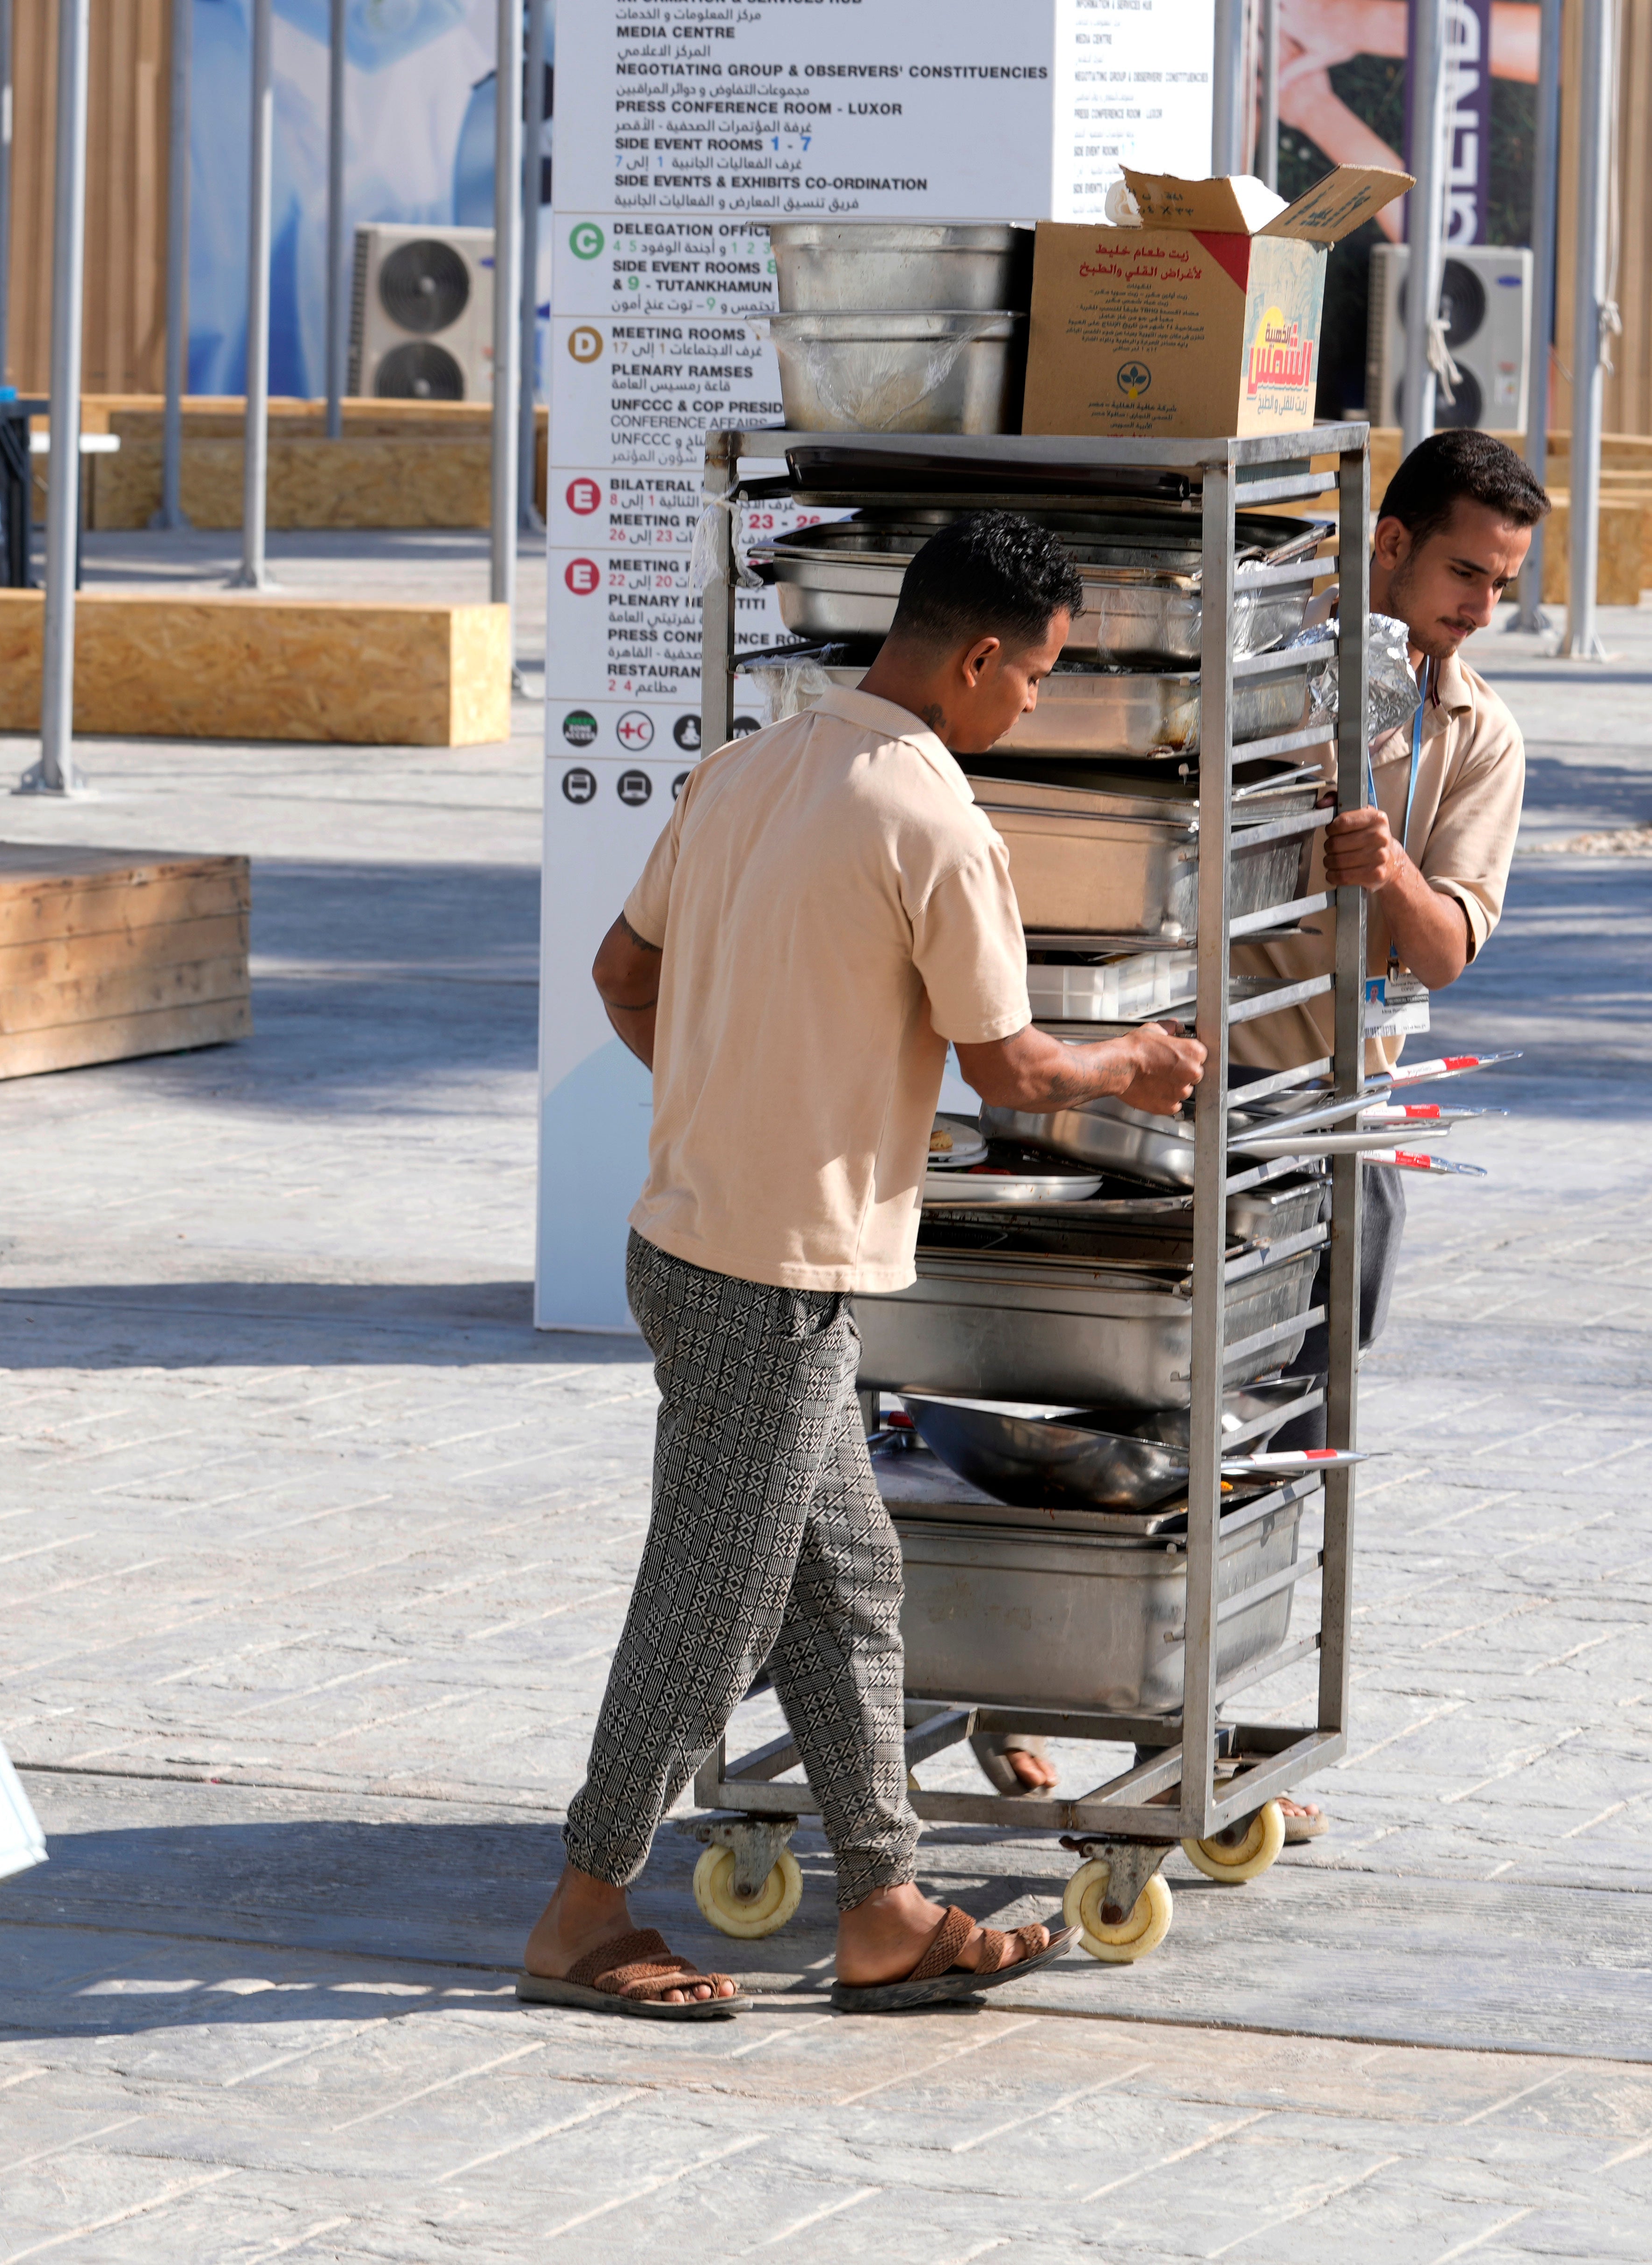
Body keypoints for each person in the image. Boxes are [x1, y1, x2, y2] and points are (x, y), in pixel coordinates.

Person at [517, 512, 1207, 2017]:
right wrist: (1139, 1065)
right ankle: (581, 1913)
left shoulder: (746, 766)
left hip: (690, 1236)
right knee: (709, 1611)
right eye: (1032, 677)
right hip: (773, 1277)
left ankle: (885, 1906)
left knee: (851, 1584)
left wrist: (734, 1090)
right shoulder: (934, 819)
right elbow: (1012, 1068)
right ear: (972, 658)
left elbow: (621, 978)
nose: (1030, 702)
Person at [982, 427, 1544, 1828]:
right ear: (1389, 543)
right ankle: (1011, 1671)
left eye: (1501, 586)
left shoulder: (1480, 733)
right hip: (1155, 1093)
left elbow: (1441, 950)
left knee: (1270, 1420)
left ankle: (1195, 1718)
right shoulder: (1264, 671)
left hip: (1322, 1118)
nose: (1476, 606)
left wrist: (1389, 868)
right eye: (1462, 572)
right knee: (1083, 1400)